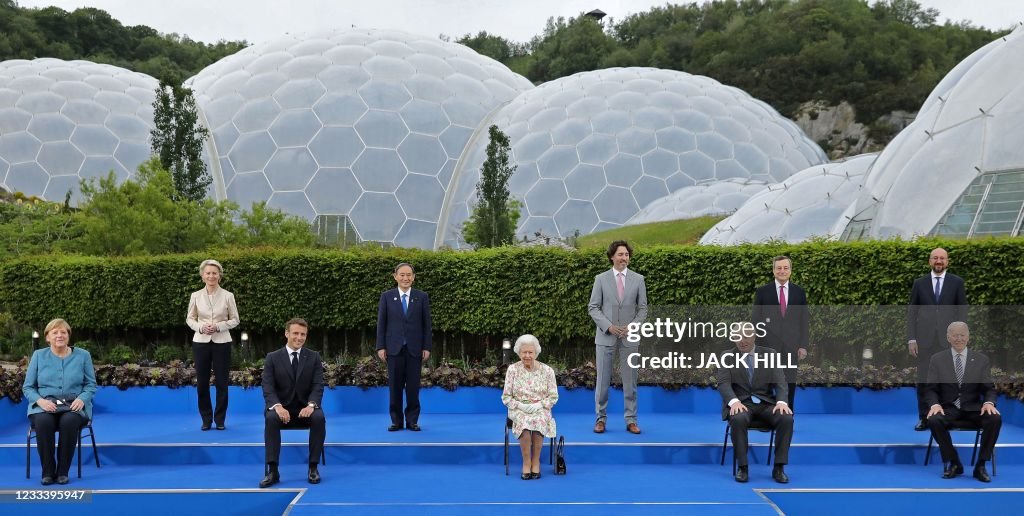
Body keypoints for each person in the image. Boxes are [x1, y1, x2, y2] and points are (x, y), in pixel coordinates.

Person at [23, 319, 97, 486]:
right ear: (47, 337)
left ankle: (63, 472)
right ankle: (48, 472)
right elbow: (28, 387)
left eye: (63, 332)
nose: (59, 335)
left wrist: (82, 399)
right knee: (43, 421)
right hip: (45, 405)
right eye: (54, 332)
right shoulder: (38, 356)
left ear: (68, 336)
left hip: (74, 405)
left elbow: (91, 384)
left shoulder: (83, 355)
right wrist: (40, 401)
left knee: (69, 421)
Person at [925, 321, 1000, 483]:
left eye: (962, 335)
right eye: (955, 335)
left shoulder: (981, 360)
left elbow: (989, 388)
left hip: (973, 409)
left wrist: (989, 403)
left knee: (994, 418)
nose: (959, 338)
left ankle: (980, 466)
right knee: (933, 419)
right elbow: (930, 389)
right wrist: (935, 404)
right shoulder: (937, 359)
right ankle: (954, 462)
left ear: (968, 337)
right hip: (948, 409)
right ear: (948, 338)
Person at [717, 331, 793, 484]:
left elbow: (781, 382)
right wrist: (734, 401)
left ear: (754, 337)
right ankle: (743, 467)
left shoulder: (770, 354)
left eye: (745, 336)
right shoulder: (727, 356)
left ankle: (779, 467)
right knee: (737, 419)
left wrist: (781, 402)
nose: (742, 340)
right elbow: (723, 383)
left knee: (786, 419)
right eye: (737, 337)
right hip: (742, 404)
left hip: (766, 403)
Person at [588, 240, 648, 434]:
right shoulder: (601, 279)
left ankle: (631, 420)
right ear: (612, 257)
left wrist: (632, 327)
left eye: (627, 255)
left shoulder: (638, 279)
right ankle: (600, 419)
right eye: (621, 255)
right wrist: (609, 327)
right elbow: (593, 307)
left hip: (630, 337)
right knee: (603, 380)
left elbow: (643, 309)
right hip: (606, 337)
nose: (624, 258)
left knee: (630, 380)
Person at [260, 318, 326, 488]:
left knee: (319, 417)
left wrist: (311, 405)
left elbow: (318, 385)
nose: (299, 337)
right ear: (286, 333)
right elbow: (267, 386)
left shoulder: (314, 357)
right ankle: (273, 470)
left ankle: (313, 467)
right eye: (295, 333)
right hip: (282, 408)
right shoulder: (272, 358)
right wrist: (278, 406)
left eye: (303, 334)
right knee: (271, 418)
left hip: (305, 408)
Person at [908, 248, 968, 431]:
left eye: (942, 258)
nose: (939, 261)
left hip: (948, 341)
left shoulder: (957, 282)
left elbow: (962, 311)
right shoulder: (919, 283)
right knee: (924, 381)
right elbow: (912, 313)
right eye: (935, 258)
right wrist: (911, 339)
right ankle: (924, 418)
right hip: (924, 342)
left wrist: (961, 338)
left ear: (947, 262)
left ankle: (946, 418)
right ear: (930, 261)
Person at [376, 263, 432, 431]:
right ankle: (396, 421)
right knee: (395, 387)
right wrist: (380, 346)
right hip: (393, 349)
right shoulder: (386, 296)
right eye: (402, 275)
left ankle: (412, 420)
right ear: (395, 276)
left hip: (415, 349)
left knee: (413, 387)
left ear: (413, 277)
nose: (405, 278)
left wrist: (427, 346)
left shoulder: (421, 297)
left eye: (409, 275)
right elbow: (381, 323)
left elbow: (426, 325)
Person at [186, 259, 240, 431]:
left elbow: (235, 320)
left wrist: (218, 326)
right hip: (200, 342)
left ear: (219, 276)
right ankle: (206, 419)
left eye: (214, 273)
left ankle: (220, 420)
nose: (211, 276)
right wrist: (201, 327)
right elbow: (190, 319)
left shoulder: (228, 295)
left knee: (222, 383)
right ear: (202, 276)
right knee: (202, 383)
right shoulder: (195, 296)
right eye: (208, 273)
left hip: (222, 342)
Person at [751, 255, 808, 411]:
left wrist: (803, 345)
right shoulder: (763, 292)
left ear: (790, 270)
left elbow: (804, 321)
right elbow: (755, 320)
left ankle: (787, 417)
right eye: (779, 268)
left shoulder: (799, 292)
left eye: (785, 268)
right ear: (773, 270)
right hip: (767, 346)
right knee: (767, 382)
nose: (782, 271)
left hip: (792, 347)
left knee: (789, 382)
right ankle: (768, 415)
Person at [501, 334, 558, 480]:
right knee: (525, 423)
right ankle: (526, 463)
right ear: (519, 353)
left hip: (540, 407)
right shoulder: (512, 370)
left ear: (536, 353)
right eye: (524, 352)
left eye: (530, 352)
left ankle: (535, 461)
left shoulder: (548, 371)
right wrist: (520, 405)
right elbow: (506, 397)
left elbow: (553, 396)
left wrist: (540, 405)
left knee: (539, 421)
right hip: (518, 408)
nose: (527, 355)